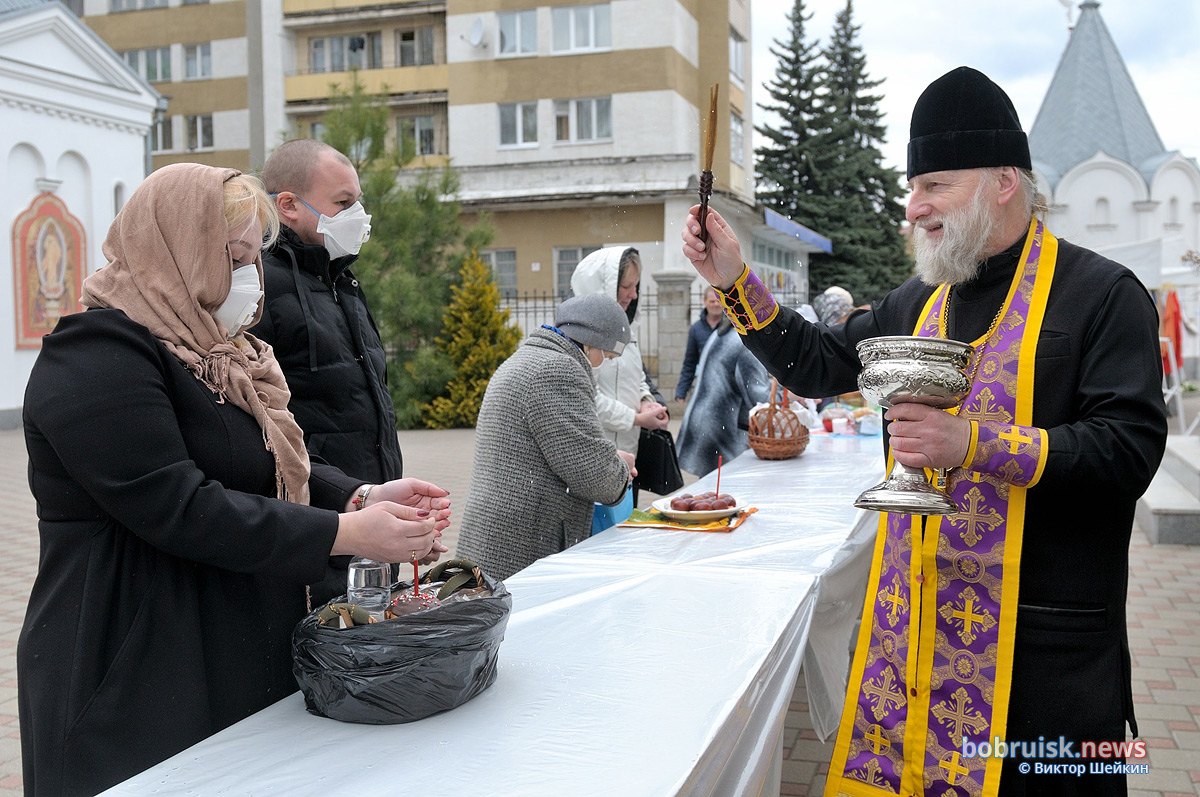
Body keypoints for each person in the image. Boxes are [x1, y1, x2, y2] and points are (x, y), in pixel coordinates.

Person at [682, 66, 1167, 797]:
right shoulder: (922, 298)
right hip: (915, 650)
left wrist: (972, 444)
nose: (913, 208)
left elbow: (1129, 451)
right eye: (913, 189)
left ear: (1005, 181)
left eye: (934, 185)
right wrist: (732, 279)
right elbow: (821, 361)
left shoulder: (1102, 295)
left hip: (1048, 667)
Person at [17, 164, 451, 796]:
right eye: (233, 256)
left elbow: (268, 458)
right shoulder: (96, 355)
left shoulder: (223, 355)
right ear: (177, 248)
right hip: (132, 664)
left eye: (254, 258)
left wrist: (359, 495)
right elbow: (180, 506)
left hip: (224, 643)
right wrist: (345, 531)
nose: (249, 277)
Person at [456, 294, 636, 580]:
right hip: (526, 545)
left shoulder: (528, 359)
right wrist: (620, 468)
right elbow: (594, 475)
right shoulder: (557, 370)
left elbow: (561, 447)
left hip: (500, 538)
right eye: (608, 356)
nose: (605, 365)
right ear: (590, 343)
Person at [253, 139, 401, 485]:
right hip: (316, 510)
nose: (358, 215)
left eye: (357, 201)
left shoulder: (342, 281)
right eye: (343, 203)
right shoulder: (258, 285)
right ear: (288, 205)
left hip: (368, 500)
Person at [570, 246, 668, 499]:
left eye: (636, 286)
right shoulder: (578, 337)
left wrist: (647, 402)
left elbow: (637, 377)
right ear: (604, 287)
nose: (633, 295)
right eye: (626, 286)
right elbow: (587, 399)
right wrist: (636, 420)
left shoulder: (627, 331)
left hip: (627, 459)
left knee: (624, 527)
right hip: (594, 461)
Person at [675, 317, 769, 477]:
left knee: (712, 493)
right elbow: (760, 399)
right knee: (723, 496)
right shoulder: (747, 344)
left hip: (708, 428)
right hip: (721, 434)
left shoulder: (728, 331)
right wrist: (792, 393)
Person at [674, 285, 724, 402]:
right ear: (704, 301)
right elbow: (690, 363)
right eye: (712, 301)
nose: (716, 304)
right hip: (704, 385)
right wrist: (681, 392)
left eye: (718, 301)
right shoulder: (696, 329)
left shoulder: (732, 327)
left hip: (729, 384)